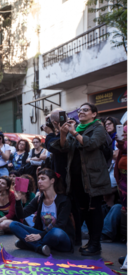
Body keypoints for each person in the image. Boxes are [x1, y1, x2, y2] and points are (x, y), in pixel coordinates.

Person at [53, 103, 112, 255]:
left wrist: (73, 133)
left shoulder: (98, 127)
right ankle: (92, 242)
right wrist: (63, 133)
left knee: (94, 210)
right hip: (76, 178)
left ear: (94, 114)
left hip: (93, 177)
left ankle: (95, 244)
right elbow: (64, 148)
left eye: (86, 110)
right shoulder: (77, 129)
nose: (81, 113)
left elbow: (92, 144)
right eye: (79, 111)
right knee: (84, 211)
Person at [10, 169, 74, 256]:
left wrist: (39, 235)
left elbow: (61, 225)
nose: (39, 181)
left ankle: (30, 244)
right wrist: (18, 200)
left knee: (55, 231)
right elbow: (22, 215)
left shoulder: (64, 200)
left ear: (52, 181)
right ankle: (39, 247)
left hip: (60, 239)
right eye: (39, 179)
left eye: (43, 179)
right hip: (44, 235)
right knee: (13, 224)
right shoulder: (39, 199)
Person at [103, 116, 121, 208]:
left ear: (115, 123)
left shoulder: (120, 135)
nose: (107, 126)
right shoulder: (106, 138)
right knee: (107, 196)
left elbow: (117, 154)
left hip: (118, 168)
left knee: (107, 187)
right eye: (105, 125)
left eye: (109, 123)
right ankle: (109, 210)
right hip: (108, 168)